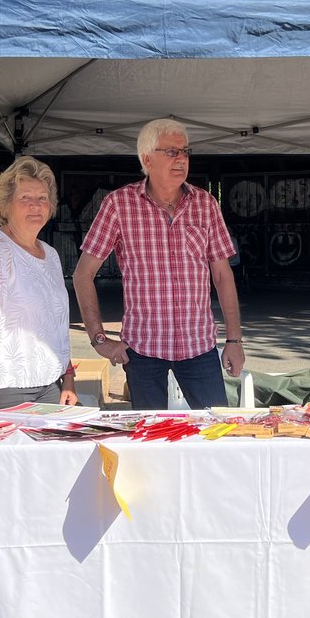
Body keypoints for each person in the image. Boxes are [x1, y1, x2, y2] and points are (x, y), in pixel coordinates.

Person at [73, 119, 244, 409]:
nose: (181, 159)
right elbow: (82, 275)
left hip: (198, 346)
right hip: (142, 350)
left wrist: (234, 341)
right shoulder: (119, 204)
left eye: (185, 152)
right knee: (149, 440)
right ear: (147, 158)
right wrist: (99, 339)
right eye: (171, 152)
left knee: (217, 433)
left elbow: (222, 275)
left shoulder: (205, 203)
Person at [0, 156, 78, 410]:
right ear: (6, 205)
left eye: (42, 198)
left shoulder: (51, 255)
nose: (35, 206)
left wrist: (68, 377)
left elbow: (56, 325)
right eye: (25, 198)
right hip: (7, 389)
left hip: (51, 387)